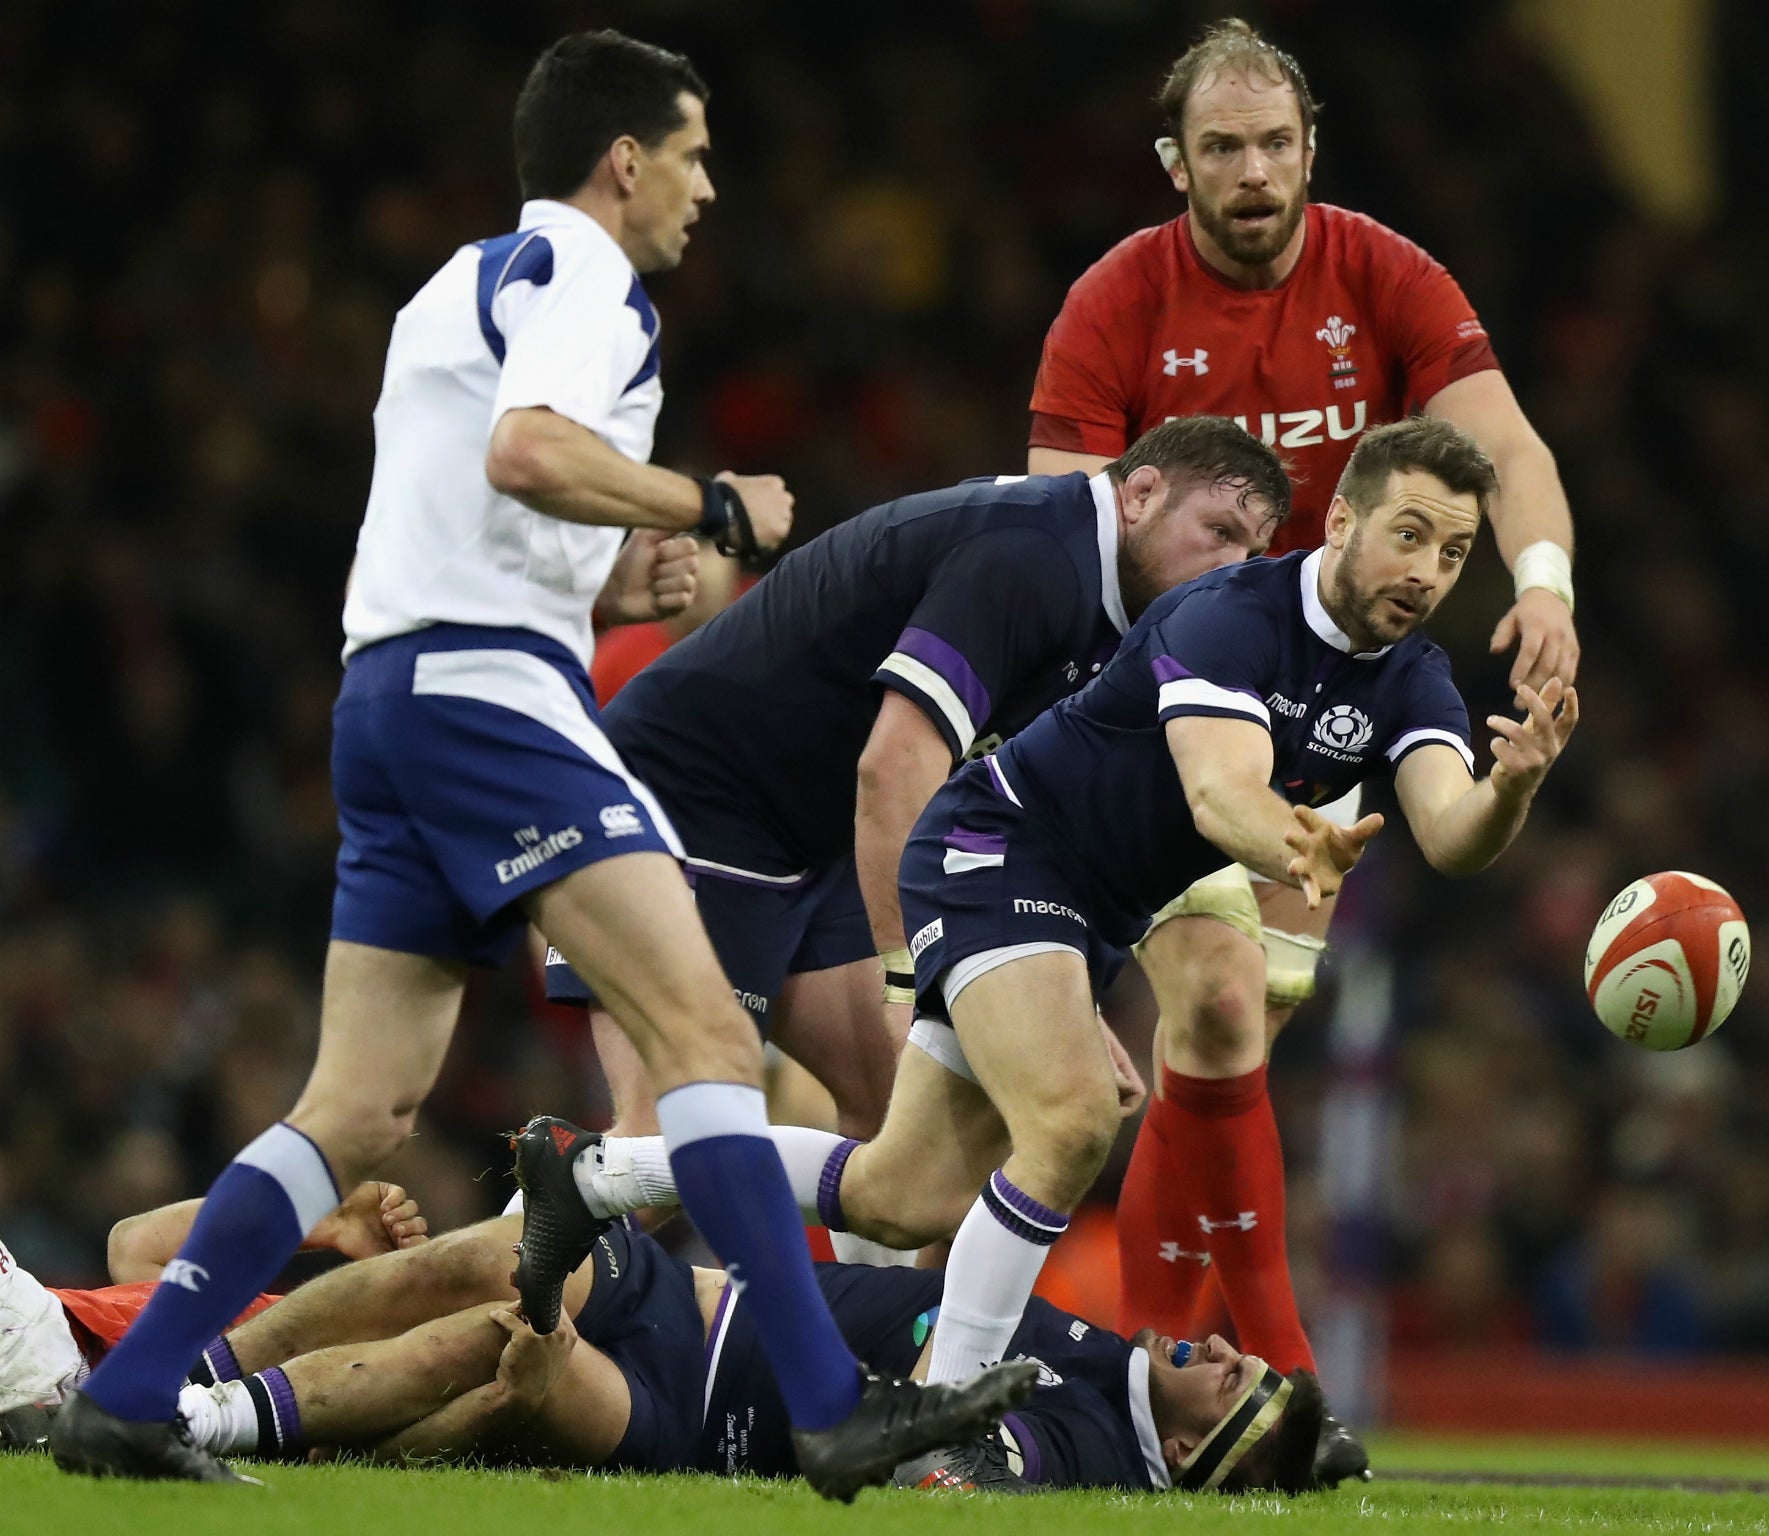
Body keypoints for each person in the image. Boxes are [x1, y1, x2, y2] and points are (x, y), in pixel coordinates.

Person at [50, 30, 1031, 1497]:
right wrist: (706, 506)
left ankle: (127, 1397)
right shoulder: (589, 279)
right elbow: (526, 453)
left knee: (359, 1103)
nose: (707, 187)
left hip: (387, 693)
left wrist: (608, 587)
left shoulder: (453, 283)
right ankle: (833, 1409)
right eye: (693, 155)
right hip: (489, 704)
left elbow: (487, 504)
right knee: (706, 1037)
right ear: (624, 160)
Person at [1024, 17, 1582, 1380]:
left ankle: (1149, 1381)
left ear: (1311, 147)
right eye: (1224, 148)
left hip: (1323, 711)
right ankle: (1279, 1368)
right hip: (1162, 703)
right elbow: (1050, 532)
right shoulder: (1115, 302)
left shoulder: (1382, 273)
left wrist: (1547, 584)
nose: (1256, 171)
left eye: (1277, 143)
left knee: (1223, 1045)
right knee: (1211, 1004)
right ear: (1177, 164)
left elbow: (1502, 442)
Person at [517, 417, 1289, 1274]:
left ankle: (893, 1381)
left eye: (1250, 553)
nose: (1230, 569)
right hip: (685, 807)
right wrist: (909, 971)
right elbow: (895, 770)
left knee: (921, 1144)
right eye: (1217, 532)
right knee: (663, 1153)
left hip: (816, 839)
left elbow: (1020, 817)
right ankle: (460, 1318)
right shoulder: (1034, 553)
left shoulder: (1119, 605)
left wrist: (1063, 1004)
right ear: (1140, 495)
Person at [148, 1211, 1329, 1493]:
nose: (1224, 1347)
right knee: (488, 1258)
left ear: (1185, 1447)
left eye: (1233, 1383)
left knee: (507, 1341)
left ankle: (204, 1419)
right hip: (693, 1293)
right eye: (1246, 1358)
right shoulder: (1116, 1363)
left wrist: (954, 1447)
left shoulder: (1082, 1445)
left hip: (686, 1415)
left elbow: (953, 1475)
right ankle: (195, 1378)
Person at [0, 1183, 426, 1448]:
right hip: (56, 1340)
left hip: (56, 1362)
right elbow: (133, 1243)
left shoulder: (374, 1371)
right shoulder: (267, 1311)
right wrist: (334, 1221)